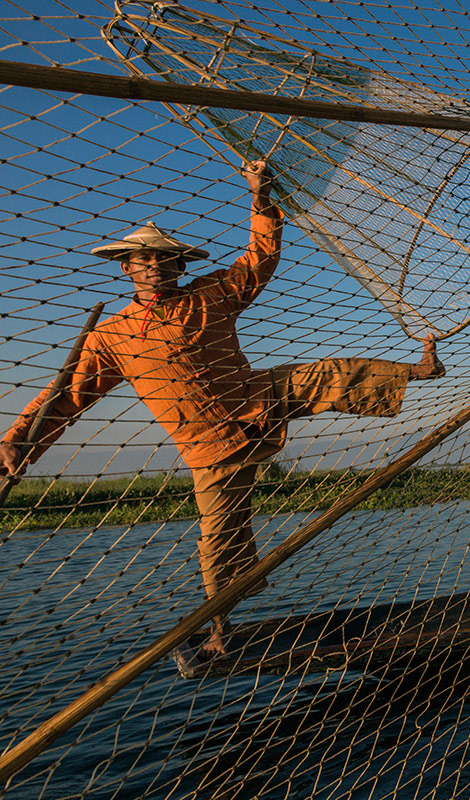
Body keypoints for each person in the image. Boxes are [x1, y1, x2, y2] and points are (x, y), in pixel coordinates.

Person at [0, 160, 446, 658]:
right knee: (218, 541)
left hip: (257, 397)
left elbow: (258, 260)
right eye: (141, 260)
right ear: (125, 268)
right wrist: (20, 441)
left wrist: (260, 199)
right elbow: (67, 396)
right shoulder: (110, 335)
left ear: (179, 266)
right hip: (209, 445)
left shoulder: (211, 295)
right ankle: (220, 627)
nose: (153, 265)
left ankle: (418, 371)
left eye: (163, 259)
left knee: (327, 372)